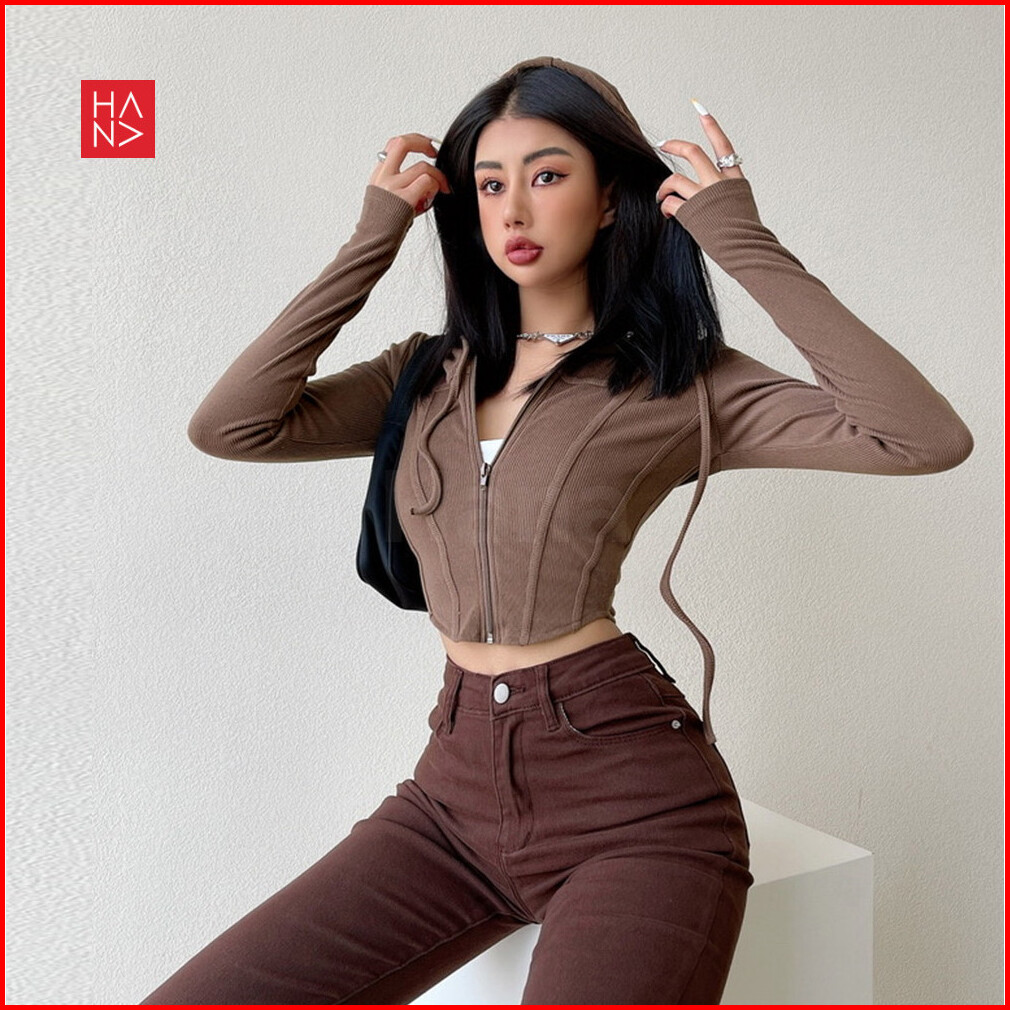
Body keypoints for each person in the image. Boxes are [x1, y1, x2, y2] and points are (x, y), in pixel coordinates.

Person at [140, 57, 973, 1005]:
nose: (515, 211)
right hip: (450, 799)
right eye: (491, 185)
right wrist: (372, 240)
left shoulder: (679, 378)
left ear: (611, 199)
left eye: (546, 175)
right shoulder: (426, 374)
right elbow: (232, 425)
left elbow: (922, 437)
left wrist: (742, 242)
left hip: (635, 808)